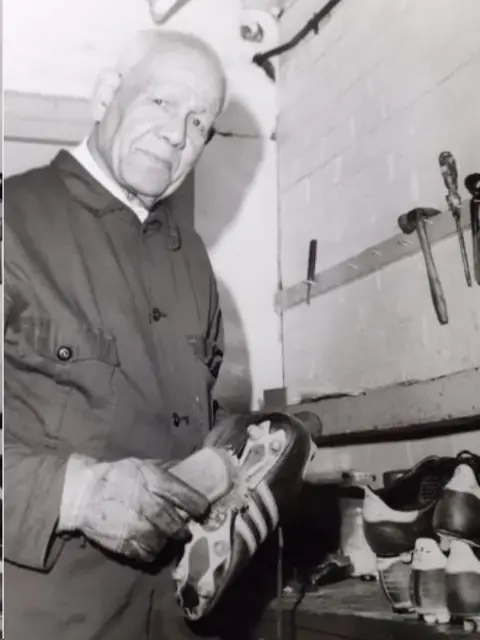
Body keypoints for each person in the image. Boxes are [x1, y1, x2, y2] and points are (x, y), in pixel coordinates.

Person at [3, 29, 231, 640]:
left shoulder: (196, 264)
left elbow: (204, 415)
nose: (177, 134)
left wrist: (231, 461)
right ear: (107, 95)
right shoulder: (10, 220)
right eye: (161, 102)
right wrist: (72, 495)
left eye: (199, 123)